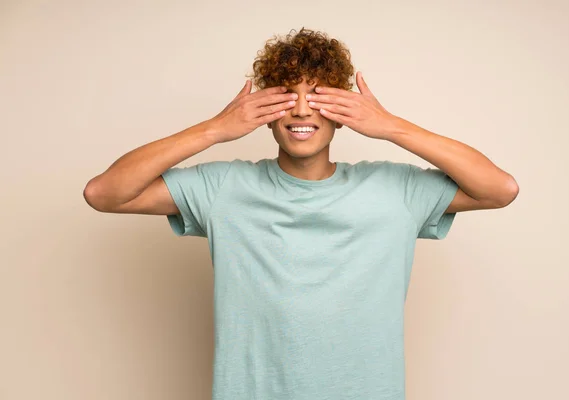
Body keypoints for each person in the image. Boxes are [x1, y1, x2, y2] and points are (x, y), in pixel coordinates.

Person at [84, 27, 518, 400]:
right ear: (267, 114)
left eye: (317, 95)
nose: (302, 109)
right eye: (287, 95)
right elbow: (105, 193)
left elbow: (500, 189)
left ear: (343, 114)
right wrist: (215, 129)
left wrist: (391, 127)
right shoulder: (223, 188)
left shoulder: (395, 189)